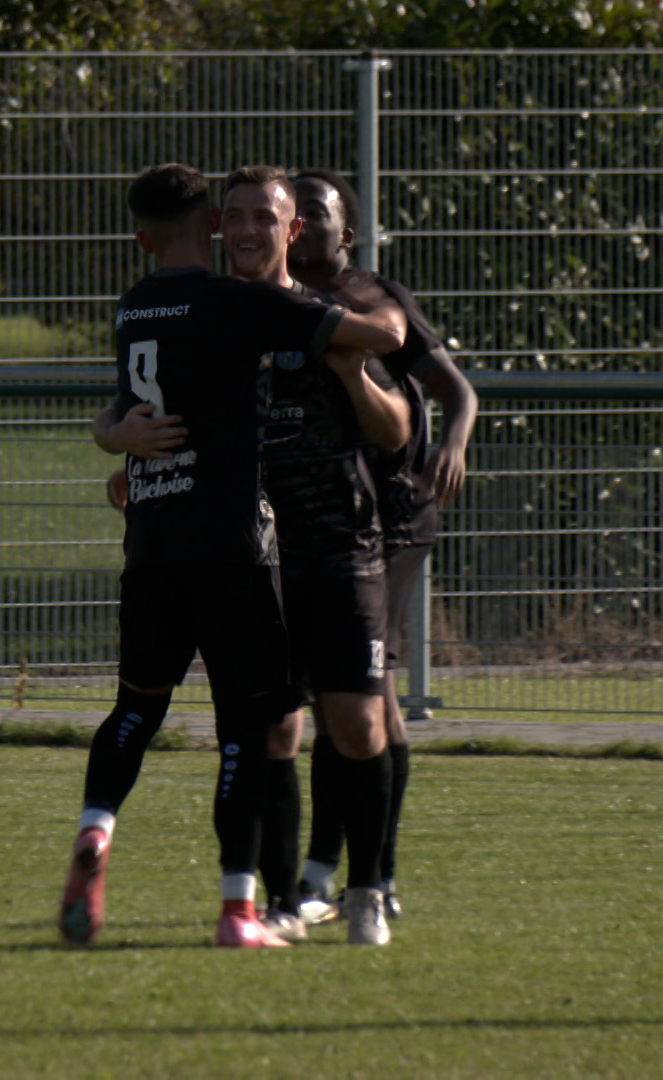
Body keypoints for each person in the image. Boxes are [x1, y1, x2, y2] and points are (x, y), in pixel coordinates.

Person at [59, 163, 407, 950]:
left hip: (328, 548)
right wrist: (118, 441)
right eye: (238, 216)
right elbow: (128, 408)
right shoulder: (227, 311)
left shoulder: (311, 312)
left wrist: (356, 369)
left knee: (352, 723)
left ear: (294, 231)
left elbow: (394, 428)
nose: (249, 230)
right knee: (265, 731)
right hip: (247, 554)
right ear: (218, 224)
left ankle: (367, 886)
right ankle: (271, 902)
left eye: (267, 218)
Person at [284, 168, 477, 931]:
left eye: (315, 215)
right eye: (290, 212)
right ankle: (358, 876)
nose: (300, 224)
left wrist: (455, 443)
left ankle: (342, 874)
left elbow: (456, 390)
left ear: (347, 234)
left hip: (390, 517)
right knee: (357, 708)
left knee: (357, 703)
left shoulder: (373, 302)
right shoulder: (272, 301)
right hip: (318, 520)